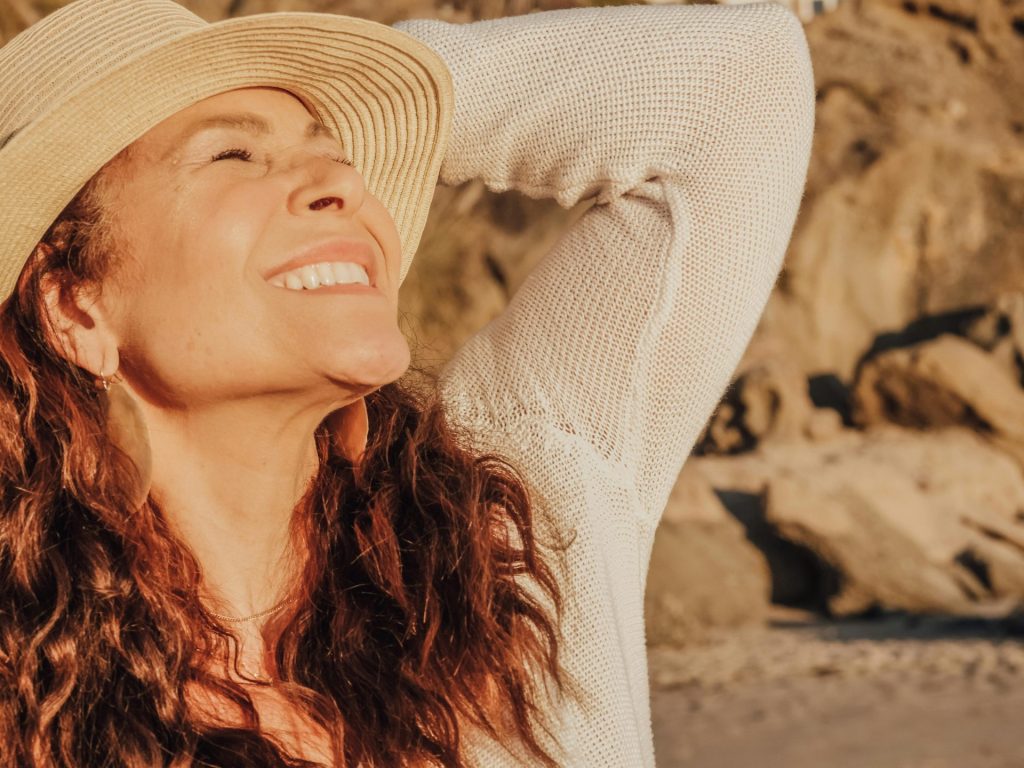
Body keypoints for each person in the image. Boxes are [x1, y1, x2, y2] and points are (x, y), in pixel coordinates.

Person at [0, 0, 815, 765]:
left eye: (339, 156)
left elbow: (738, 85)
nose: (345, 184)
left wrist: (390, 84)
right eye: (232, 154)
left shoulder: (510, 528)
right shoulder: (26, 689)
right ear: (74, 302)